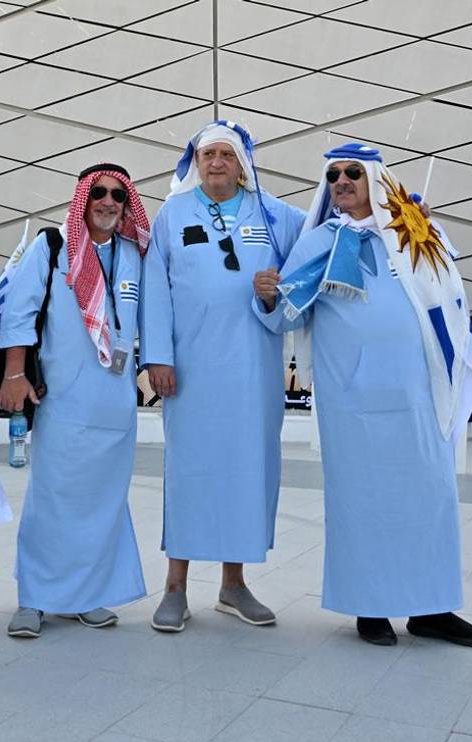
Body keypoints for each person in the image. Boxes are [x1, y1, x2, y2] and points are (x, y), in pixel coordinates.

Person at [255, 142, 472, 648]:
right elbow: (287, 314)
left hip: (420, 394)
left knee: (430, 498)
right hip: (354, 401)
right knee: (362, 502)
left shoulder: (416, 235)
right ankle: (370, 608)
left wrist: (422, 220)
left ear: (377, 181)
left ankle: (433, 608)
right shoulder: (320, 241)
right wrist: (268, 296)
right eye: (335, 174)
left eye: (353, 173)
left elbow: (449, 295)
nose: (342, 180)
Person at [141, 121, 306, 633]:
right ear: (195, 161)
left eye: (227, 156)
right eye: (208, 154)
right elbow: (155, 291)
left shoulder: (276, 215)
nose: (217, 163)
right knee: (190, 471)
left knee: (245, 471)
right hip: (189, 371)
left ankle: (233, 584)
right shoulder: (174, 213)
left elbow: (324, 248)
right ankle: (175, 587)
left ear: (243, 164)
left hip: (253, 369)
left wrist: (273, 295)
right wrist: (159, 358)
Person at [0, 163, 150, 637]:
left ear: (127, 205)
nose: (108, 202)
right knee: (52, 499)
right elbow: (18, 317)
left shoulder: (136, 254)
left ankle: (88, 596)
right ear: (83, 198)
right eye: (99, 193)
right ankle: (35, 598)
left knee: (103, 503)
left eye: (118, 195)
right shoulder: (52, 249)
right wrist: (16, 375)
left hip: (115, 403)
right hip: (61, 401)